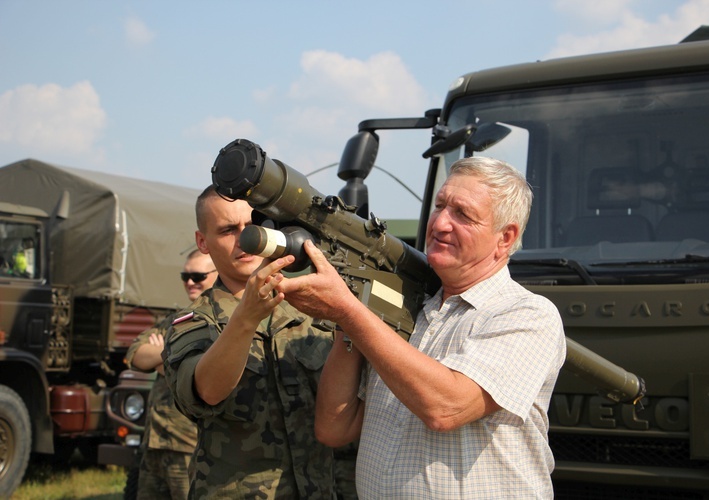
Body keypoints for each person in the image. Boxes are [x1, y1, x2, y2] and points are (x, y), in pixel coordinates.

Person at [276, 156, 567, 499]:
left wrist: (350, 310)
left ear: (505, 238)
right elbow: (334, 429)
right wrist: (347, 317)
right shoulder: (408, 311)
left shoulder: (527, 314)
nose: (440, 223)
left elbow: (446, 407)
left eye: (463, 214)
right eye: (440, 205)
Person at [162, 186, 335, 499]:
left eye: (252, 227)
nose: (246, 239)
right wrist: (245, 318)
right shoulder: (193, 324)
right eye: (229, 230)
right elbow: (206, 392)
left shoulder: (312, 311)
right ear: (203, 242)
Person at [125, 249, 217, 499]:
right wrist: (172, 354)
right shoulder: (177, 320)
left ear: (217, 273)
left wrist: (162, 354)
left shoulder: (220, 323)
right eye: (184, 276)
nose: (189, 282)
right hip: (155, 444)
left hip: (191, 446)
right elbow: (134, 354)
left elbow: (203, 376)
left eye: (197, 275)